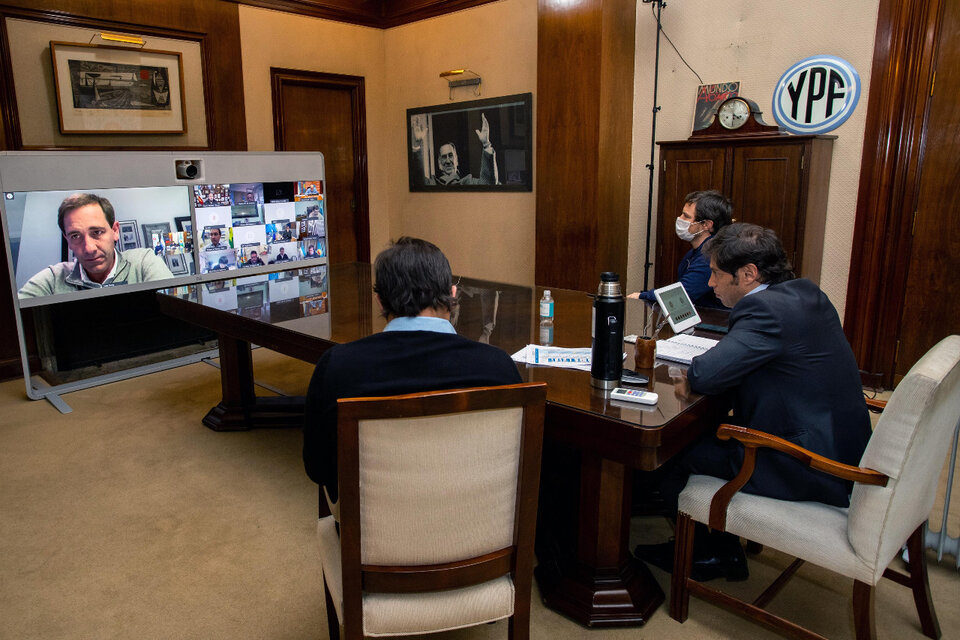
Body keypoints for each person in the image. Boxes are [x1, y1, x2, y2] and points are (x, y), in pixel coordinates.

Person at [635, 223, 872, 581]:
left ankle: (712, 554)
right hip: (838, 443)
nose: (711, 284)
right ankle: (711, 541)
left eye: (716, 274)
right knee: (703, 431)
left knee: (670, 451)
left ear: (748, 274)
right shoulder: (806, 293)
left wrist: (697, 378)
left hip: (802, 461)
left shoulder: (763, 310)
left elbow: (705, 376)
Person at [303, 237, 522, 511]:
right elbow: (516, 464)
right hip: (477, 527)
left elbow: (318, 469)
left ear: (380, 300)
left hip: (375, 538)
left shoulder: (337, 366)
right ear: (453, 295)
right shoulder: (497, 367)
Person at [18, 193, 173, 298]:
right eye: (75, 236)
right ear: (68, 241)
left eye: (97, 232)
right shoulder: (52, 279)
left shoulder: (143, 262)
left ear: (115, 231)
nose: (89, 248)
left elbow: (175, 311)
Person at [629, 190, 733, 308]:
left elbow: (682, 293)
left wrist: (643, 296)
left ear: (706, 225)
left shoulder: (712, 254)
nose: (680, 218)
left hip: (713, 322)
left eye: (687, 216)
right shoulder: (695, 252)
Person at [410, 113, 497, 186]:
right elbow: (418, 181)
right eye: (444, 157)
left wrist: (486, 144)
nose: (448, 161)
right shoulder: (432, 183)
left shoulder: (467, 182)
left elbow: (489, 183)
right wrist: (417, 145)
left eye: (450, 155)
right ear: (439, 163)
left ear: (457, 160)